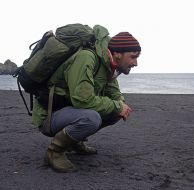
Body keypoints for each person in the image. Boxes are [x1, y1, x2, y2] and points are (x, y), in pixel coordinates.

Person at [32, 28, 141, 172]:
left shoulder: (109, 64)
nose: (136, 63)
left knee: (115, 112)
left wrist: (120, 104)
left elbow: (113, 90)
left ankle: (74, 141)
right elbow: (82, 100)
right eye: (133, 57)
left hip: (70, 112)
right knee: (92, 118)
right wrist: (116, 106)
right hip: (50, 116)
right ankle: (54, 152)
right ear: (117, 54)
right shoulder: (86, 58)